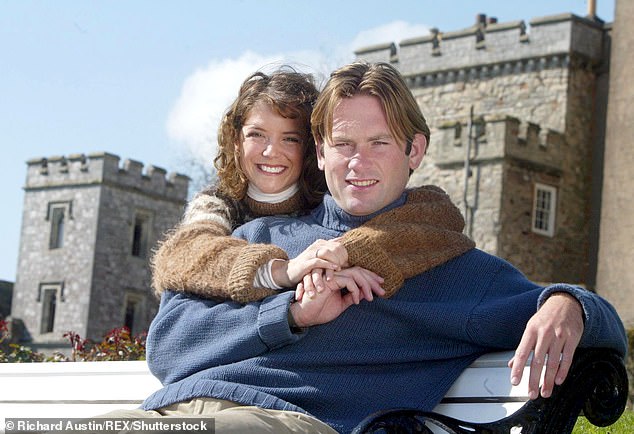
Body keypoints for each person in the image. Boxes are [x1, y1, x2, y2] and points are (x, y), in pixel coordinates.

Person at [122, 62, 627, 434]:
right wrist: (290, 316)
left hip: (285, 423)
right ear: (320, 154)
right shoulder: (260, 240)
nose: (358, 162)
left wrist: (570, 305)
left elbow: (595, 321)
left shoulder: (445, 265)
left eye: (379, 143)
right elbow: (167, 348)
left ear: (415, 151)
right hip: (172, 412)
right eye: (343, 144)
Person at [151, 67, 474, 303]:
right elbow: (180, 257)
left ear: (312, 148)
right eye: (256, 135)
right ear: (235, 141)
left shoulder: (332, 198)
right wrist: (281, 271)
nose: (270, 151)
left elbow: (433, 216)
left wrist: (344, 253)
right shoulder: (221, 203)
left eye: (289, 139)